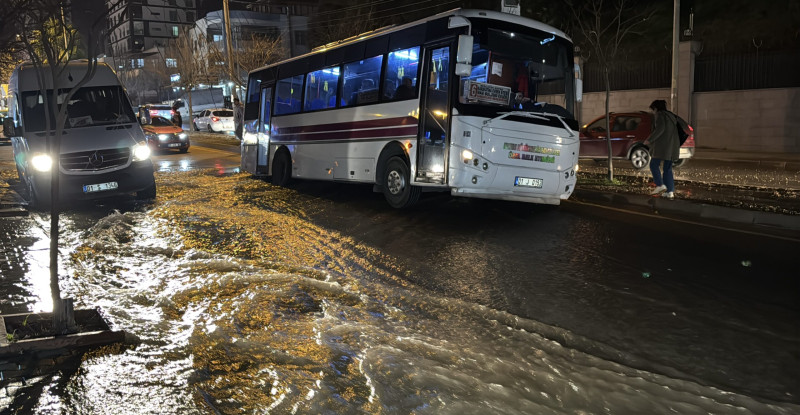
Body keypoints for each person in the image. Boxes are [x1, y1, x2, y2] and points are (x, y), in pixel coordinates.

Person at [644, 99, 685, 200]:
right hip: (671, 147)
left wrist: (649, 140)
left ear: (656, 108)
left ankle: (660, 185)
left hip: (663, 147)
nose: (653, 112)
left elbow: (660, 129)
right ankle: (670, 191)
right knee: (667, 169)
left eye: (653, 110)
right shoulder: (670, 115)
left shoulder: (660, 115)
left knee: (653, 164)